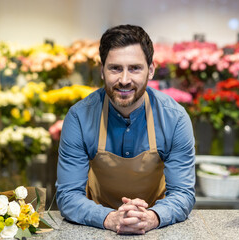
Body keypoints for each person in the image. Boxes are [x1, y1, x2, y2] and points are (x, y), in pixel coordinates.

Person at [56, 24, 196, 234]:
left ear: (151, 70)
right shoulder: (79, 117)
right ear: (102, 70)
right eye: (115, 68)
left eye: (134, 68)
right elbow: (68, 195)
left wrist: (151, 217)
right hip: (96, 227)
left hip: (155, 228)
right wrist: (110, 218)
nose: (124, 80)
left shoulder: (174, 118)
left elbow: (183, 194)